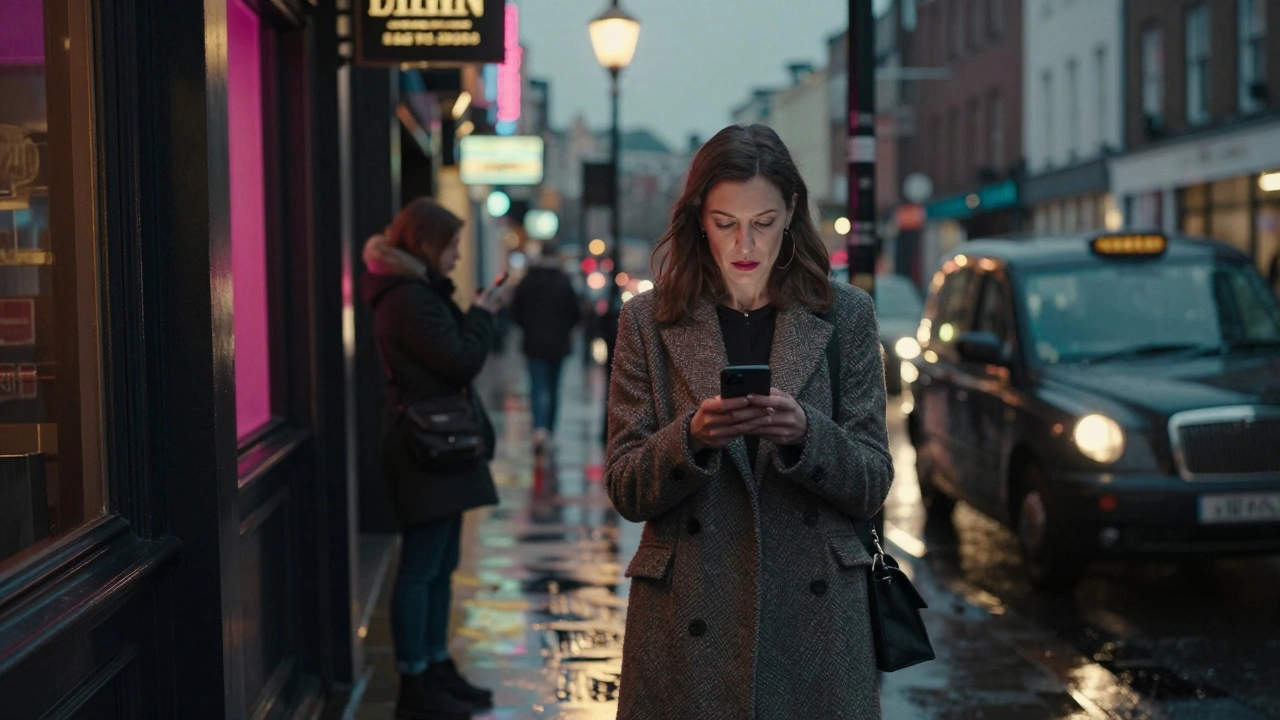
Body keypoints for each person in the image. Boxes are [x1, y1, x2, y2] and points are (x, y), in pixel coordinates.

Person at [604, 124, 894, 719]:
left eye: (762, 222)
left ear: (790, 211)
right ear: (698, 219)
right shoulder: (648, 322)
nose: (746, 243)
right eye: (725, 222)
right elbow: (625, 486)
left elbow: (873, 480)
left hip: (814, 628)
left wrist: (805, 435)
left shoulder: (847, 317)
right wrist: (692, 440)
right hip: (687, 622)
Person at [361, 198, 511, 720]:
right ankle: (415, 681)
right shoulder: (406, 299)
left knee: (441, 564)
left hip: (440, 447)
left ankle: (436, 665)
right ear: (426, 245)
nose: (455, 256)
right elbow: (460, 361)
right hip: (424, 449)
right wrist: (482, 316)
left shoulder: (414, 293)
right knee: (422, 567)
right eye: (450, 246)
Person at [510, 242, 581, 453]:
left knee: (537, 386)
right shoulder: (564, 282)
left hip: (534, 343)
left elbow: (515, 311)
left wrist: (529, 328)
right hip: (558, 344)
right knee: (553, 387)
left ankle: (539, 429)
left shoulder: (528, 281)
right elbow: (575, 314)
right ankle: (549, 430)